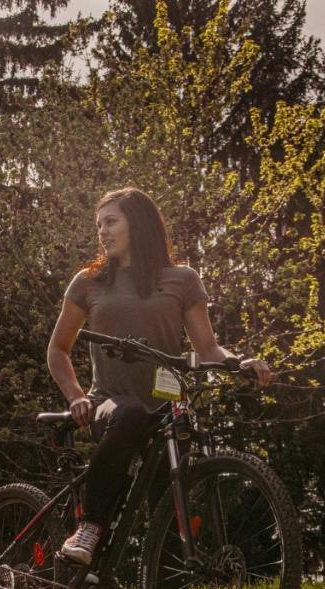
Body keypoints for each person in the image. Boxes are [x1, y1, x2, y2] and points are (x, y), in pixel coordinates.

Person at [46, 187, 273, 567]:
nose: (102, 232)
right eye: (99, 225)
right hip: (110, 407)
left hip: (168, 413)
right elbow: (57, 349)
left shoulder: (182, 279)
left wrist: (239, 363)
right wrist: (75, 395)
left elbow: (208, 349)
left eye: (111, 222)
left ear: (138, 223)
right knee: (130, 412)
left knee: (168, 528)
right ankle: (90, 526)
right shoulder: (89, 282)